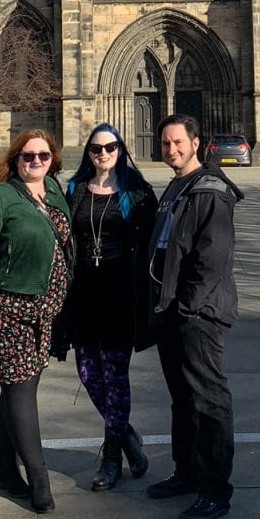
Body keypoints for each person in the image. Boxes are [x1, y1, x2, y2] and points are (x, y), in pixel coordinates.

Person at [0, 129, 71, 514]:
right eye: (28, 156)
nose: (35, 162)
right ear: (15, 159)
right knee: (21, 392)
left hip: (44, 314)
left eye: (42, 156)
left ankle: (6, 470)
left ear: (52, 159)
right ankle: (39, 478)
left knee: (13, 391)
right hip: (8, 311)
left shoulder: (54, 191)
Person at [146, 114, 243, 519]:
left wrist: (187, 309)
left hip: (197, 314)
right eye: (166, 143)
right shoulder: (177, 186)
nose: (172, 149)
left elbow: (212, 260)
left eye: (178, 143)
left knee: (208, 400)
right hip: (173, 311)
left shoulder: (211, 191)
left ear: (197, 143)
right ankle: (186, 473)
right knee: (183, 399)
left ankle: (215, 490)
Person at [65, 123, 158, 491]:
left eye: (110, 147)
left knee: (115, 377)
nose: (102, 154)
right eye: (95, 148)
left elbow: (154, 244)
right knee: (89, 375)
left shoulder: (137, 192)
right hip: (84, 294)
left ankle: (110, 460)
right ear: (88, 153)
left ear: (121, 149)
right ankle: (128, 439)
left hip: (120, 297)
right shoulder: (74, 190)